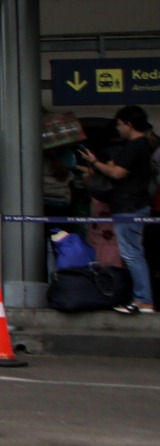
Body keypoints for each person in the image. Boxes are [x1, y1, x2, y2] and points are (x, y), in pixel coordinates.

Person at [78, 105, 155, 314]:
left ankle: (143, 299)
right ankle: (142, 298)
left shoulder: (134, 146)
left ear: (129, 124)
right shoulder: (143, 146)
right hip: (135, 205)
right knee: (133, 252)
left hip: (128, 206)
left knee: (131, 254)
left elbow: (118, 173)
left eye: (120, 125)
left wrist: (94, 162)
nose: (119, 129)